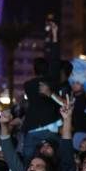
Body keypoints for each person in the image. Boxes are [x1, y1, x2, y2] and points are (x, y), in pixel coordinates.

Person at [21, 20, 62, 159]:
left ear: (34, 69)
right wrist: (55, 35)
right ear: (48, 69)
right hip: (50, 127)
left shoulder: (28, 85)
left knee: (29, 162)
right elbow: (55, 59)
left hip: (32, 128)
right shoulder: (52, 81)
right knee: (52, 162)